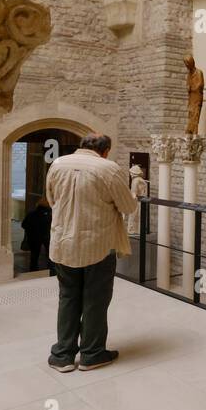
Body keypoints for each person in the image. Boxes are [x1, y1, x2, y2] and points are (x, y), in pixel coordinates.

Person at [45, 132, 136, 372]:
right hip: (98, 245)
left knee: (68, 297)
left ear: (81, 146)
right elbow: (128, 206)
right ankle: (92, 354)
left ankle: (62, 356)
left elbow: (51, 198)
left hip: (63, 243)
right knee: (95, 300)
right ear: (105, 151)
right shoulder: (109, 169)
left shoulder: (57, 164)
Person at [20, 197, 54, 275]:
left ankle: (33, 271)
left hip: (34, 238)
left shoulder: (31, 214)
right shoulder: (50, 215)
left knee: (34, 255)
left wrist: (31, 231)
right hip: (47, 237)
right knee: (50, 254)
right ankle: (51, 270)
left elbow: (24, 225)